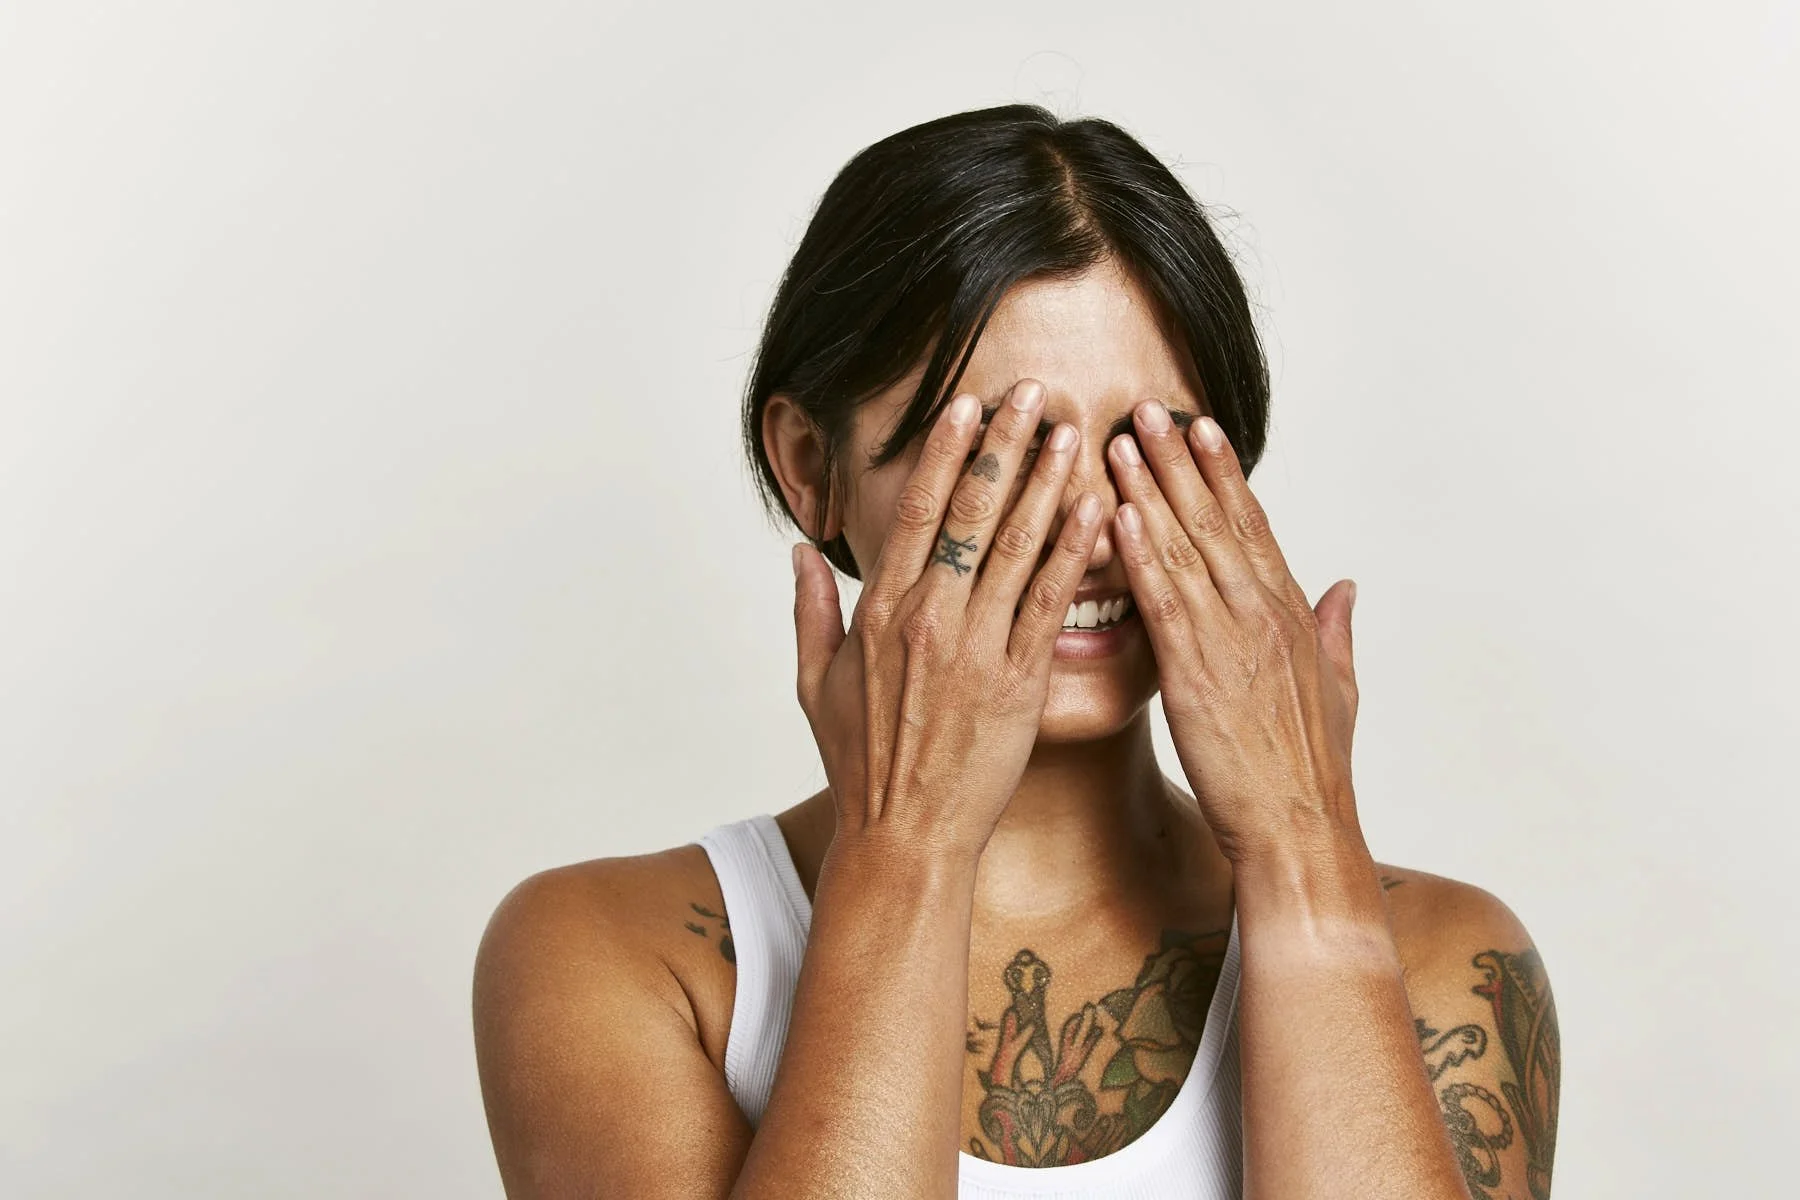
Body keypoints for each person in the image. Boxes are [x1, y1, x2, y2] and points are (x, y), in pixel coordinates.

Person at [471, 104, 1561, 1200]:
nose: (1084, 529)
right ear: (812, 464)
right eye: (1011, 447)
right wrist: (909, 848)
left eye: (1150, 444)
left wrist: (1299, 846)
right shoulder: (615, 958)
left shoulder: (1446, 962)